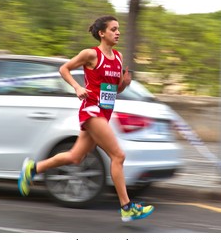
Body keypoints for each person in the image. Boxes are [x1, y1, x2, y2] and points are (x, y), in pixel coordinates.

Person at [18, 15, 154, 222]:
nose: (118, 33)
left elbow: (114, 90)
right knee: (118, 156)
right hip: (92, 110)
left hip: (105, 111)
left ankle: (33, 168)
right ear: (102, 33)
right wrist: (77, 86)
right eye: (113, 29)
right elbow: (64, 69)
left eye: (118, 29)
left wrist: (125, 84)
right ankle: (126, 207)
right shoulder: (91, 54)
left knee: (75, 157)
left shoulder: (117, 57)